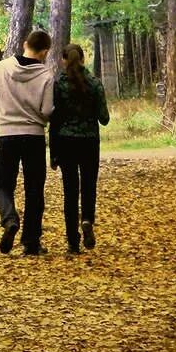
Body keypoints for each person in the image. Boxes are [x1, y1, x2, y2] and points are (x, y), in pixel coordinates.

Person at [0, 29, 53, 255]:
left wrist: (7, 107)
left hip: (6, 134)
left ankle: (9, 218)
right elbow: (46, 111)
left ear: (25, 44)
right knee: (34, 188)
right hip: (33, 136)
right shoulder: (46, 76)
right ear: (44, 52)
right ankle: (31, 242)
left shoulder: (2, 67)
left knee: (3, 183)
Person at [49, 43, 110, 255]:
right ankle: (87, 220)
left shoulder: (59, 85)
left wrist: (53, 154)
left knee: (70, 191)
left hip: (66, 142)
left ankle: (73, 242)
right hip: (89, 142)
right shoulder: (95, 84)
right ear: (83, 59)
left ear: (63, 61)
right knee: (89, 185)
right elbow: (104, 119)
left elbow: (54, 121)